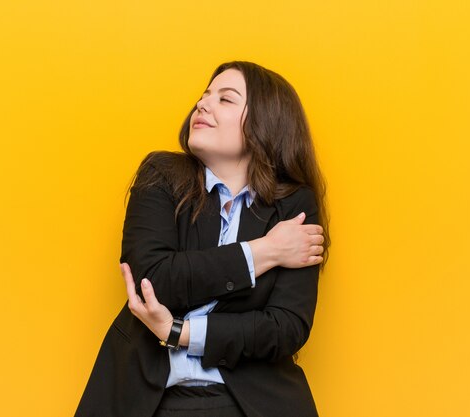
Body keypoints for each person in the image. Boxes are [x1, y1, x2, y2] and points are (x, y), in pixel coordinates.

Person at [74, 61, 330, 417]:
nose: (203, 104)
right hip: (152, 399)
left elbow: (285, 328)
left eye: (226, 99)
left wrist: (178, 331)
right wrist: (263, 252)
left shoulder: (294, 204)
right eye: (205, 95)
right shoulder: (161, 176)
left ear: (265, 122)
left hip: (250, 404)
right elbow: (153, 278)